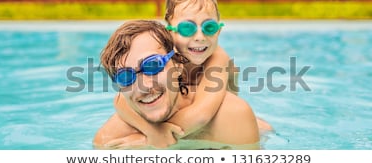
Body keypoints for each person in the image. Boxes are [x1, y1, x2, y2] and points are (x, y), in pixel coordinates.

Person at [113, 0, 272, 148]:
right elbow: (120, 101)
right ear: (168, 31)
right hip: (187, 120)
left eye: (209, 28)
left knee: (264, 131)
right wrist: (150, 130)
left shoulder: (218, 58)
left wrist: (155, 136)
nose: (199, 38)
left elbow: (202, 115)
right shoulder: (164, 59)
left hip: (219, 121)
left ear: (219, 30)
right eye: (187, 29)